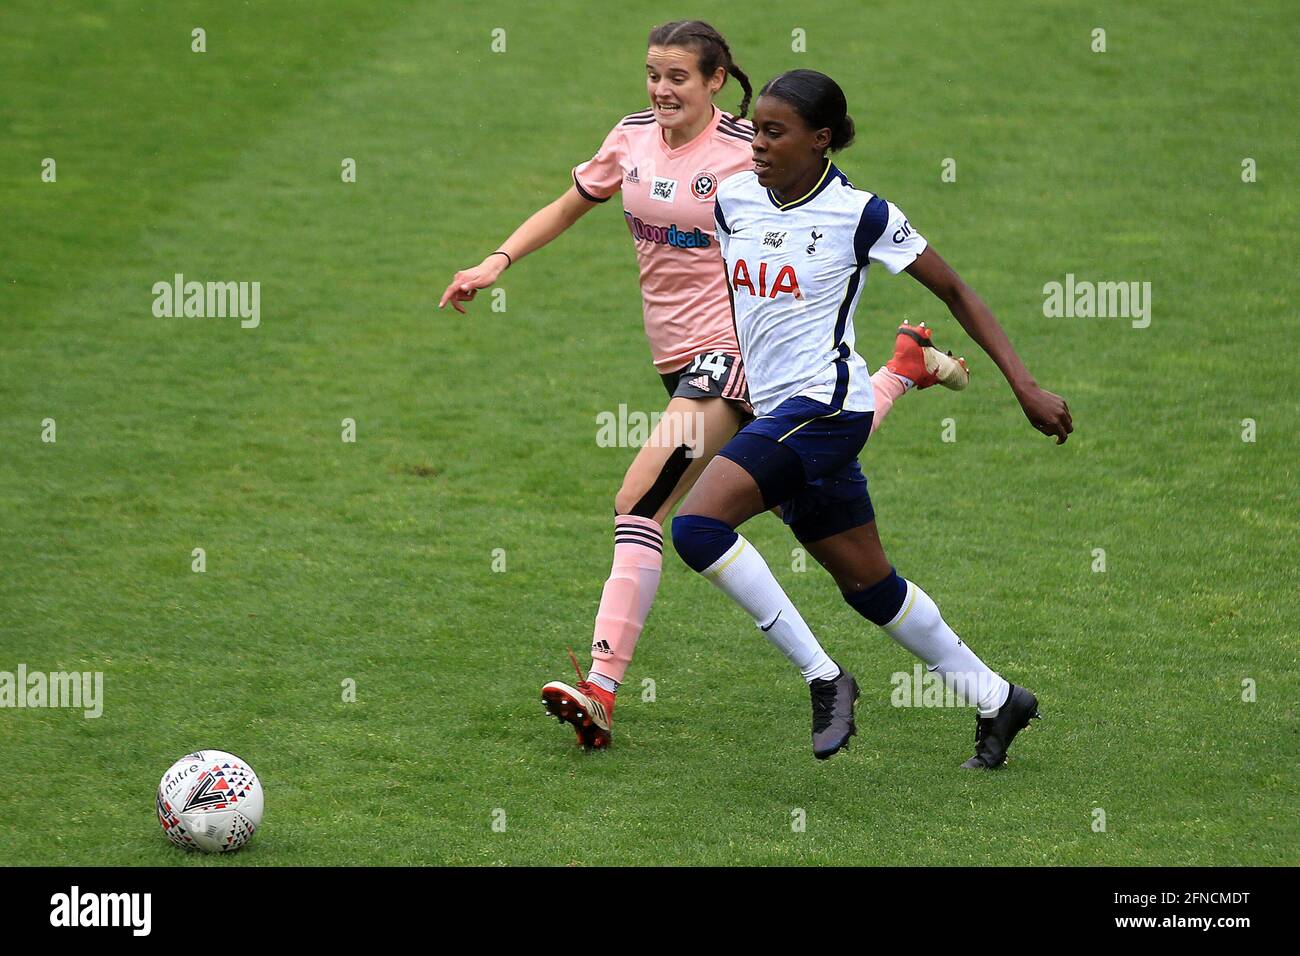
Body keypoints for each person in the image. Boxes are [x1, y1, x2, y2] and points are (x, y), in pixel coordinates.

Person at [438, 23, 965, 751]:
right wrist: (498, 260)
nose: (661, 89)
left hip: (728, 359)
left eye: (678, 77)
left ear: (717, 80)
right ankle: (902, 371)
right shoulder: (631, 138)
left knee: (644, 500)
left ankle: (603, 687)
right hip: (681, 363)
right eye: (653, 75)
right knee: (801, 483)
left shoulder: (754, 152)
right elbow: (571, 203)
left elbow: (808, 226)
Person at [671, 69, 1073, 766]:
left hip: (827, 410)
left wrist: (1025, 386)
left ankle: (825, 679)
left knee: (698, 527)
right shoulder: (734, 200)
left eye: (775, 132)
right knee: (869, 586)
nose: (757, 145)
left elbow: (955, 290)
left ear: (820, 140)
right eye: (755, 129)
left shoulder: (862, 214)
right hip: (778, 414)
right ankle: (998, 698)